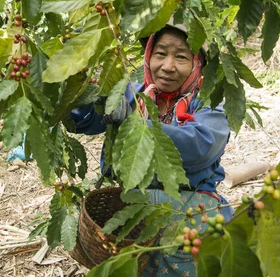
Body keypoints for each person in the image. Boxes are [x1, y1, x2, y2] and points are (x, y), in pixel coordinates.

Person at [68, 22, 233, 276]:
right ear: (148, 57)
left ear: (197, 64)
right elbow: (83, 120)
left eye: (181, 57)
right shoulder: (134, 93)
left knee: (204, 227)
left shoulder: (209, 103)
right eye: (160, 54)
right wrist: (78, 71)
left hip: (186, 207)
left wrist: (135, 121)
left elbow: (201, 146)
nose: (168, 66)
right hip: (130, 204)